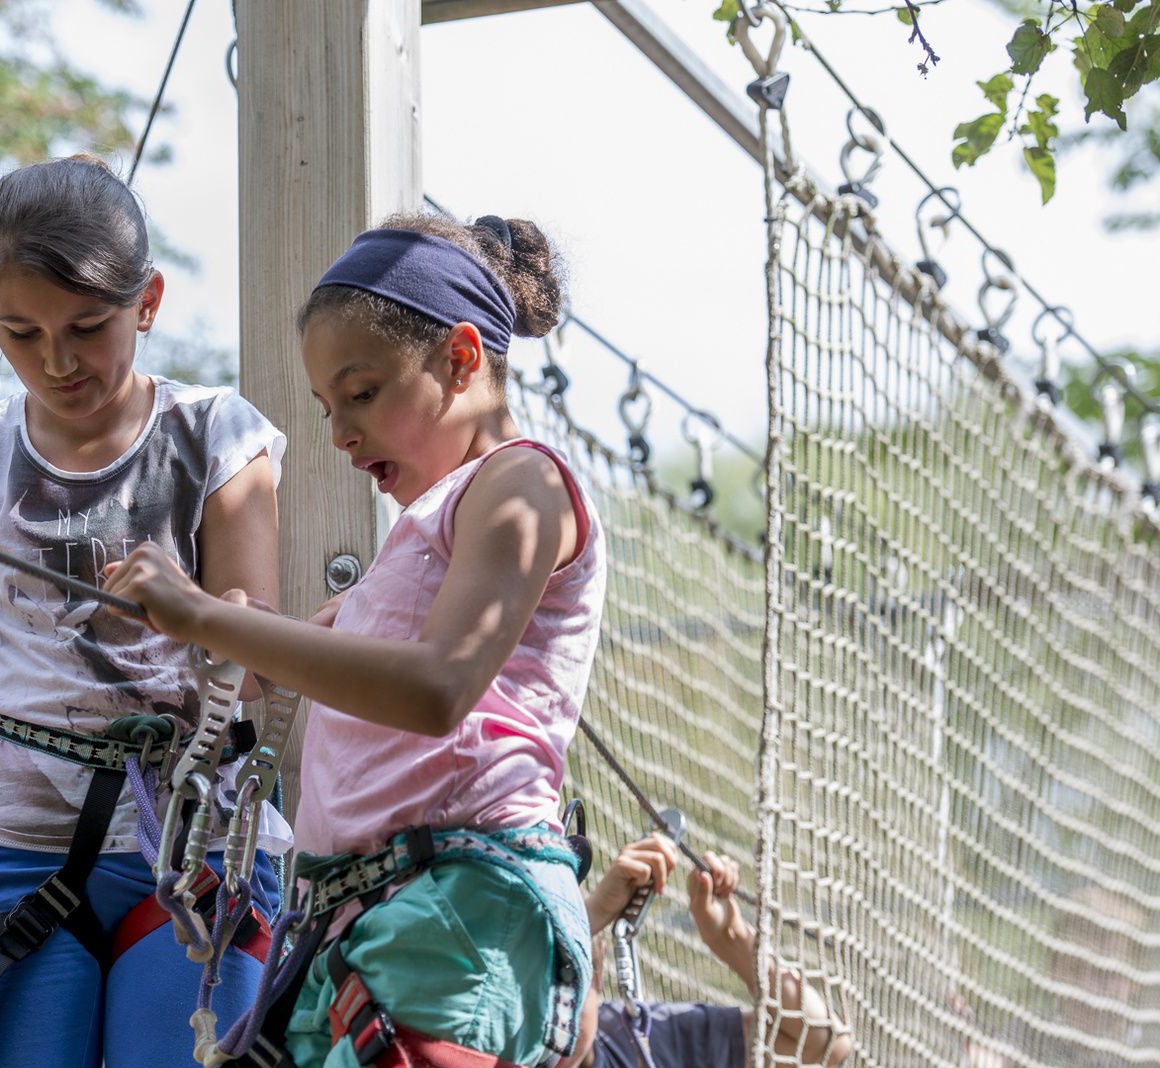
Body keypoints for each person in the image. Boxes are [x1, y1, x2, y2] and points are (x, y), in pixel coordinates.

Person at [105, 212, 603, 1068]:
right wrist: (199, 622)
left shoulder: (521, 482)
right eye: (327, 408)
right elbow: (268, 670)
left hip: (461, 899)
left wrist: (207, 617)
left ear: (461, 358)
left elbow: (437, 688)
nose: (339, 433)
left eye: (362, 393)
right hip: (356, 919)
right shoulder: (401, 564)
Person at [0, 153, 289, 1068]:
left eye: (87, 328)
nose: (57, 361)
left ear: (147, 301)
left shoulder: (215, 436)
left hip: (196, 838)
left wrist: (192, 612)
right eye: (21, 333)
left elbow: (257, 667)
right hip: (18, 843)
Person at [563, 835, 853, 1068]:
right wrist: (590, 917)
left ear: (597, 979)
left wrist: (730, 937)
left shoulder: (628, 1037)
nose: (551, 1016)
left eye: (566, 977)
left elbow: (822, 1042)